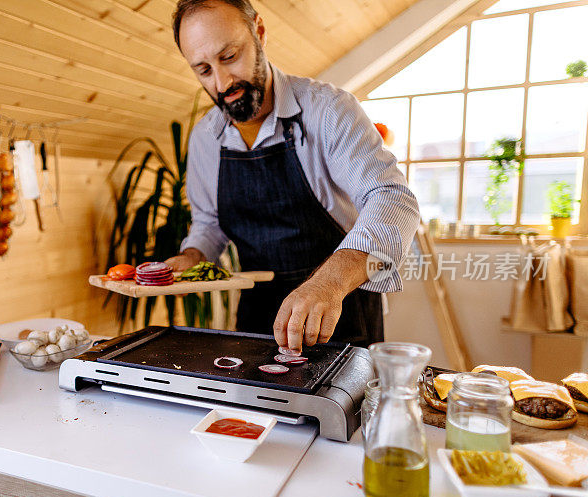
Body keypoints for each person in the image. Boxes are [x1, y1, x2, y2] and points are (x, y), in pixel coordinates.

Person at [164, 0, 420, 350]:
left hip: (340, 311)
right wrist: (191, 257)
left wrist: (329, 281)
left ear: (260, 32)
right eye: (204, 70)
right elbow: (209, 224)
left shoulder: (329, 110)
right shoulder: (205, 138)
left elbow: (392, 197)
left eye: (229, 57)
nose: (222, 83)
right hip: (258, 318)